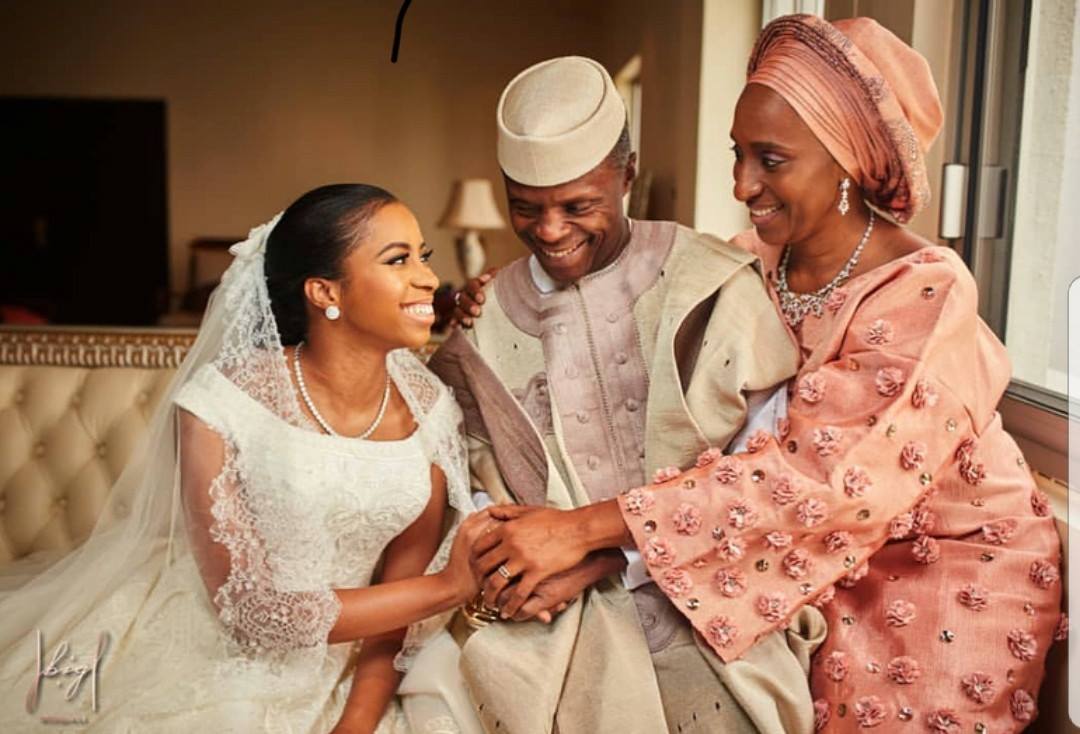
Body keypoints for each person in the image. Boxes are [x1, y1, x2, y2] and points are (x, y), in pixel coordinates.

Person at [469, 17, 1064, 733]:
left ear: (847, 161)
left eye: (771, 160)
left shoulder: (925, 290)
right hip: (786, 567)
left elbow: (823, 484)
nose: (741, 183)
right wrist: (491, 298)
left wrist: (581, 534)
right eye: (739, 153)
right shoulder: (745, 262)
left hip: (939, 574)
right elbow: (682, 426)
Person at [429, 55, 826, 733]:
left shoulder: (712, 284)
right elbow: (467, 479)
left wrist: (606, 557)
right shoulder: (485, 320)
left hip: (716, 613)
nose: (550, 230)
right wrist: (515, 568)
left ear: (628, 176)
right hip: (546, 638)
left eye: (578, 206)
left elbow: (763, 477)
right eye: (525, 207)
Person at [0, 184, 487, 733]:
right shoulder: (222, 402)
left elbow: (402, 594)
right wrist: (450, 587)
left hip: (361, 669)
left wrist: (356, 723)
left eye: (423, 256)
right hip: (214, 656)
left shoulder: (431, 408)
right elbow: (251, 613)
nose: (428, 278)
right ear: (325, 291)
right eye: (398, 260)